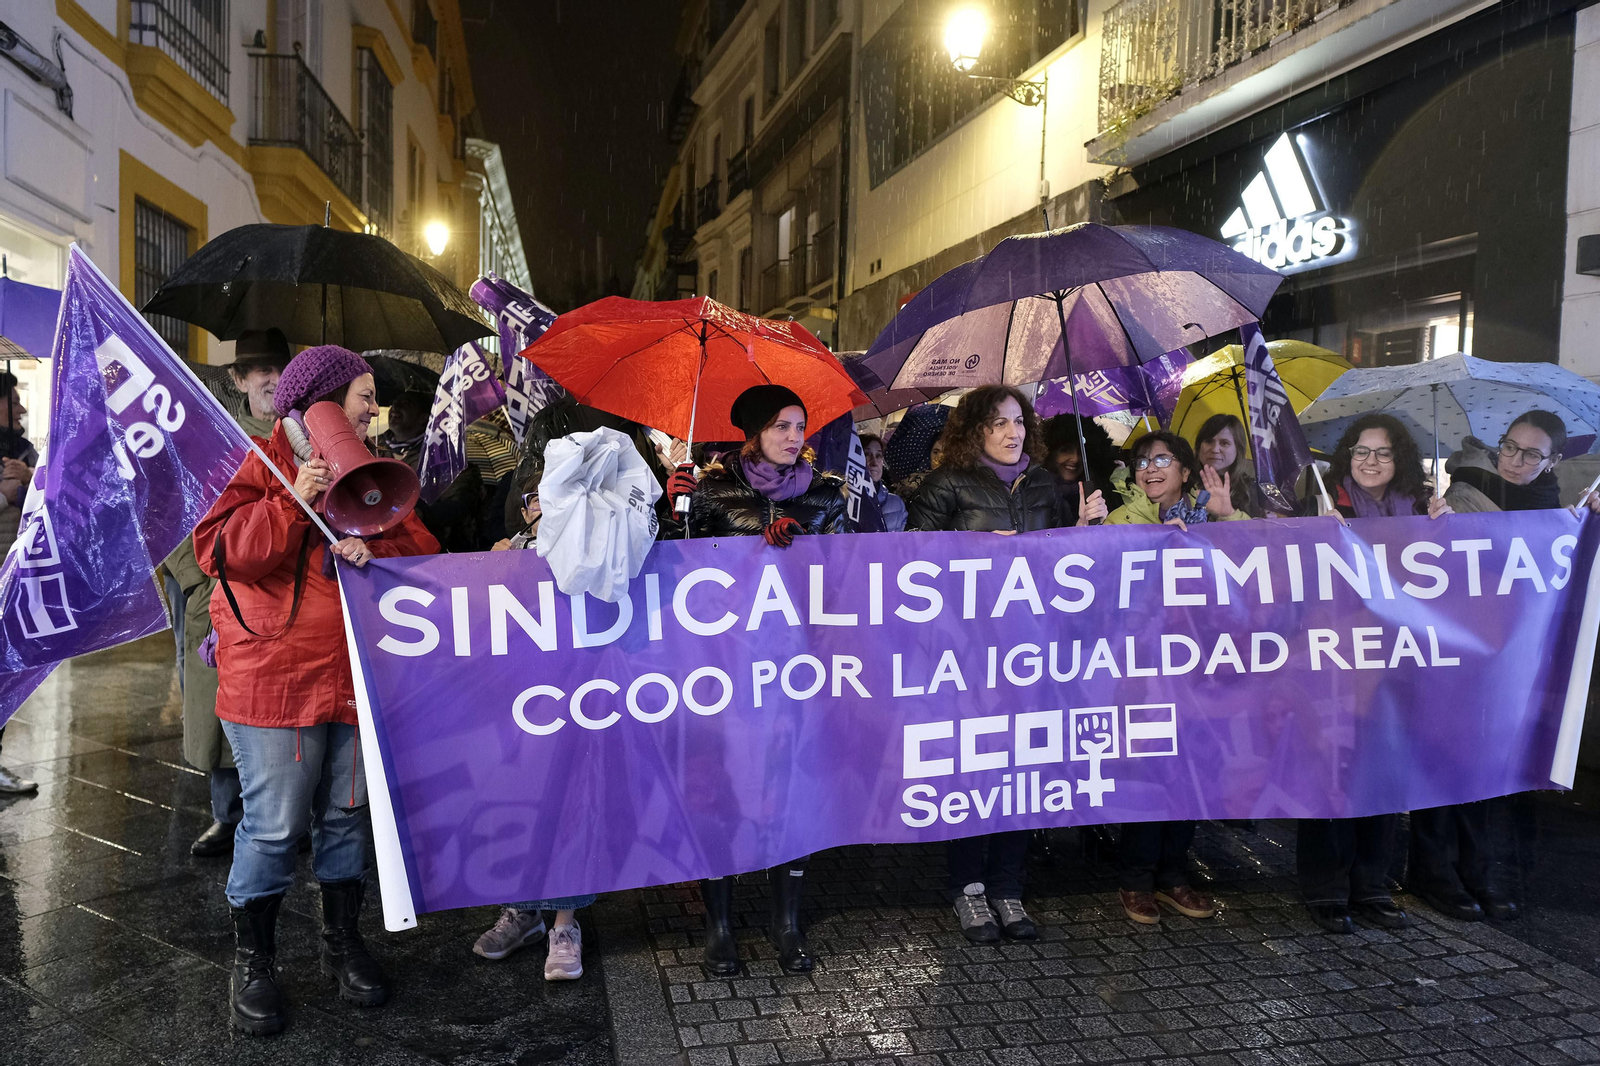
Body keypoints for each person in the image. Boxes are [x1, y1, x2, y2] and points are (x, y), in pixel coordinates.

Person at [194, 345, 439, 1036]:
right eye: (364, 394)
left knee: (345, 816)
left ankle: (342, 943)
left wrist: (374, 549)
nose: (374, 408)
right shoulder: (255, 462)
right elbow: (221, 554)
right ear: (324, 402)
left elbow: (424, 554)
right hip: (274, 682)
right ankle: (254, 962)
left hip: (357, 679)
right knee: (274, 826)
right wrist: (291, 501)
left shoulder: (373, 469)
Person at [905, 385, 1107, 944]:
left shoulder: (1046, 484)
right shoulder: (946, 485)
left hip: (1032, 653)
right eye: (997, 422)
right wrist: (969, 548)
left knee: (1022, 769)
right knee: (975, 770)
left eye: (1018, 421)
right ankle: (968, 888)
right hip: (968, 655)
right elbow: (908, 559)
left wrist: (1086, 529)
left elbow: (1067, 563)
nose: (1011, 431)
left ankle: (1008, 886)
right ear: (975, 430)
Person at [670, 384, 847, 977]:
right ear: (753, 433)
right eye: (780, 426)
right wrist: (674, 513)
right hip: (724, 670)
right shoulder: (713, 491)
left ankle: (786, 921)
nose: (794, 437)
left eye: (800, 426)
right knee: (721, 788)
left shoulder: (825, 494)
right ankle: (720, 924)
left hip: (797, 670)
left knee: (788, 787)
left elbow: (849, 573)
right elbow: (677, 572)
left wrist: (805, 550)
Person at [1412, 409, 1577, 922]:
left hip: (1509, 660)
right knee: (1442, 759)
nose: (1514, 460)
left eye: (1531, 454)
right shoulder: (1463, 494)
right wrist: (1432, 523)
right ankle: (1432, 871)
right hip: (1452, 651)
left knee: (1489, 767)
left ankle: (1476, 870)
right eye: (1509, 446)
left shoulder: (1554, 512)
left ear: (1552, 461)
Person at [1295, 414, 1449, 933]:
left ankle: (1371, 885)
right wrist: (1314, 534)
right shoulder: (1324, 503)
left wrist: (1448, 529)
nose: (1370, 461)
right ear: (1348, 455)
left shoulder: (1423, 510)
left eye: (1382, 452)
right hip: (1338, 661)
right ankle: (1325, 888)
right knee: (1333, 769)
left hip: (1398, 665)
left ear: (1399, 459)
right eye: (1361, 451)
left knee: (1384, 773)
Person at [1105, 431, 1245, 924]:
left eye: (1163, 459)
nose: (1150, 468)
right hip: (1142, 669)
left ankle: (1173, 874)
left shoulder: (1213, 514)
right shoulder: (1120, 520)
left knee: (1191, 768)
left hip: (1201, 668)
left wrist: (1228, 518)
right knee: (1148, 769)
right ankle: (1136, 878)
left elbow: (1257, 563)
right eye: (1143, 461)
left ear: (1186, 471)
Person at [163, 331, 290, 855]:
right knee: (221, 709)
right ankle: (228, 815)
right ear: (238, 379)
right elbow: (173, 512)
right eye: (260, 370)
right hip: (221, 596)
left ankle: (287, 818)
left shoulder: (304, 436)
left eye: (280, 367)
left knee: (282, 713)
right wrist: (200, 581)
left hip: (284, 601)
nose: (272, 379)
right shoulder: (213, 439)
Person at [470, 471, 591, 979]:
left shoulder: (593, 552)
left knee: (569, 804)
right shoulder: (504, 557)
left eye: (558, 497)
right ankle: (523, 911)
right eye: (537, 499)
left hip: (577, 700)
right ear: (524, 512)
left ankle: (564, 923)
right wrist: (488, 573)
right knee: (517, 799)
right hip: (518, 703)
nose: (546, 507)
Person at [0, 368, 39, 794]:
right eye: (12, 403)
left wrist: (29, 479)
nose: (21, 409)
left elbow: (51, 503)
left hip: (12, 577)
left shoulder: (25, 452)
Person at [1192, 413, 1263, 518]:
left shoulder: (1252, 491)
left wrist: (1229, 514)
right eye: (1209, 441)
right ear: (1198, 447)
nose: (1215, 449)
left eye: (1224, 443)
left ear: (1238, 449)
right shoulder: (1184, 482)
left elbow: (1257, 528)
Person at [1041, 414, 1118, 495]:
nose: (1075, 459)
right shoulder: (1034, 489)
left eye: (1082, 452)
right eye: (1066, 450)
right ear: (1050, 452)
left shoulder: (1102, 492)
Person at [859, 432, 906, 532]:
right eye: (867, 454)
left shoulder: (896, 503)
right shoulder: (842, 501)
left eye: (878, 455)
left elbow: (905, 540)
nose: (874, 462)